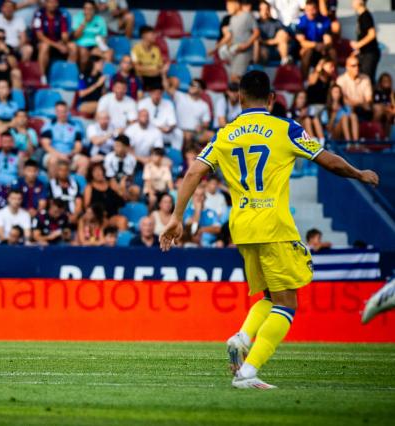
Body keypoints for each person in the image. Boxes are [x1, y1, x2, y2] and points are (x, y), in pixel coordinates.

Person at [159, 70, 379, 389]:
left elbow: (193, 172)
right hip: (274, 224)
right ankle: (248, 372)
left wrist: (177, 217)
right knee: (288, 303)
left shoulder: (226, 134)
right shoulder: (285, 128)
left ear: (239, 97)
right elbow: (327, 160)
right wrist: (358, 173)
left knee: (269, 296)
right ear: (273, 99)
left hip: (243, 228)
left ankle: (242, 336)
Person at [39, 101, 88, 176]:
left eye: (64, 111)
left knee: (84, 161)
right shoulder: (49, 126)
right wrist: (60, 155)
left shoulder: (75, 126)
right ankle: (53, 186)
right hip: (53, 154)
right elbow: (46, 145)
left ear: (68, 112)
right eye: (59, 112)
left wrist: (72, 154)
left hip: (70, 155)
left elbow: (78, 146)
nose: (62, 114)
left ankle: (77, 185)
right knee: (53, 161)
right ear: (55, 112)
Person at [32, 0, 75, 81]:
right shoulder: (39, 14)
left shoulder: (61, 15)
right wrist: (57, 45)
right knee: (45, 46)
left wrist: (63, 42)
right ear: (46, 3)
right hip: (43, 43)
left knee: (73, 47)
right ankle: (43, 77)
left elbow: (64, 35)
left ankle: (68, 76)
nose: (52, 4)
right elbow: (40, 36)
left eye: (55, 2)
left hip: (58, 43)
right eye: (50, 2)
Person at [218, 0, 259, 82]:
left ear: (236, 4)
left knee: (236, 78)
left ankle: (247, 93)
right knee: (234, 79)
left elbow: (256, 33)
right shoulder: (232, 19)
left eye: (229, 5)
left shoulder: (248, 16)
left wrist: (247, 45)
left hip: (244, 52)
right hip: (235, 52)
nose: (227, 7)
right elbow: (230, 37)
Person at [296, 0, 335, 81]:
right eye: (308, 10)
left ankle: (334, 78)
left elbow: (328, 40)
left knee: (332, 51)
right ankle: (304, 80)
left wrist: (323, 46)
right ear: (305, 10)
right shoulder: (301, 21)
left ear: (316, 9)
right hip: (309, 48)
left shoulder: (325, 20)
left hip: (321, 48)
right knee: (307, 51)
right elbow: (302, 42)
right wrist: (316, 45)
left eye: (312, 9)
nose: (311, 12)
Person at [83, 161, 127, 230]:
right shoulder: (89, 187)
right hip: (97, 217)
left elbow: (121, 202)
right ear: (91, 174)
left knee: (122, 220)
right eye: (95, 171)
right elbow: (86, 206)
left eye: (100, 170)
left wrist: (119, 190)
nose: (98, 173)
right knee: (100, 223)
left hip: (112, 216)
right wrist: (98, 216)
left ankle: (122, 239)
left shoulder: (111, 184)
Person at [173, 79, 213, 151]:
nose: (191, 86)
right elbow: (167, 88)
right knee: (188, 136)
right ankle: (186, 159)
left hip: (196, 133)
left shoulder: (204, 105)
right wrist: (164, 74)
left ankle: (208, 158)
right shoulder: (180, 96)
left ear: (201, 90)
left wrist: (201, 126)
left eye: (194, 85)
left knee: (213, 135)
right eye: (191, 84)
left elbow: (206, 123)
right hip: (180, 130)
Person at [71, 1, 109, 67]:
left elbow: (103, 37)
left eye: (90, 9)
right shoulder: (77, 18)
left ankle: (103, 75)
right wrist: (84, 22)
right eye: (85, 9)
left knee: (108, 54)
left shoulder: (100, 20)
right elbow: (75, 36)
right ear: (83, 9)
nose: (88, 11)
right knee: (84, 53)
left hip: (95, 46)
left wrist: (100, 48)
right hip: (80, 45)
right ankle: (82, 74)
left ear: (94, 10)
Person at [336, 56, 373, 122]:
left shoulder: (366, 78)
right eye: (353, 66)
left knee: (377, 109)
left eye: (358, 65)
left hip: (363, 108)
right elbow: (343, 100)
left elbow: (369, 99)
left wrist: (362, 105)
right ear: (347, 67)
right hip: (349, 108)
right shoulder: (340, 80)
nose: (357, 68)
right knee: (349, 109)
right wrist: (359, 104)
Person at [351, 0, 379, 84]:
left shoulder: (365, 15)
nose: (352, 3)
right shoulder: (361, 16)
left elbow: (372, 34)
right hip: (365, 53)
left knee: (367, 79)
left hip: (370, 53)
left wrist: (358, 45)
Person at [255, 0, 291, 66]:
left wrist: (268, 42)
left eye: (267, 9)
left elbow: (285, 36)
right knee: (262, 51)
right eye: (262, 10)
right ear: (259, 11)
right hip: (262, 48)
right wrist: (274, 41)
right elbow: (258, 40)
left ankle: (285, 64)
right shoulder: (255, 23)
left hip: (276, 48)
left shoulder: (276, 22)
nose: (265, 12)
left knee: (282, 37)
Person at [131, 25, 166, 90]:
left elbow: (160, 67)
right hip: (142, 77)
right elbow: (137, 68)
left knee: (172, 81)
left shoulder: (156, 50)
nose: (155, 36)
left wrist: (161, 69)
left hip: (155, 77)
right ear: (144, 35)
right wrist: (154, 68)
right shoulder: (135, 49)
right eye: (152, 34)